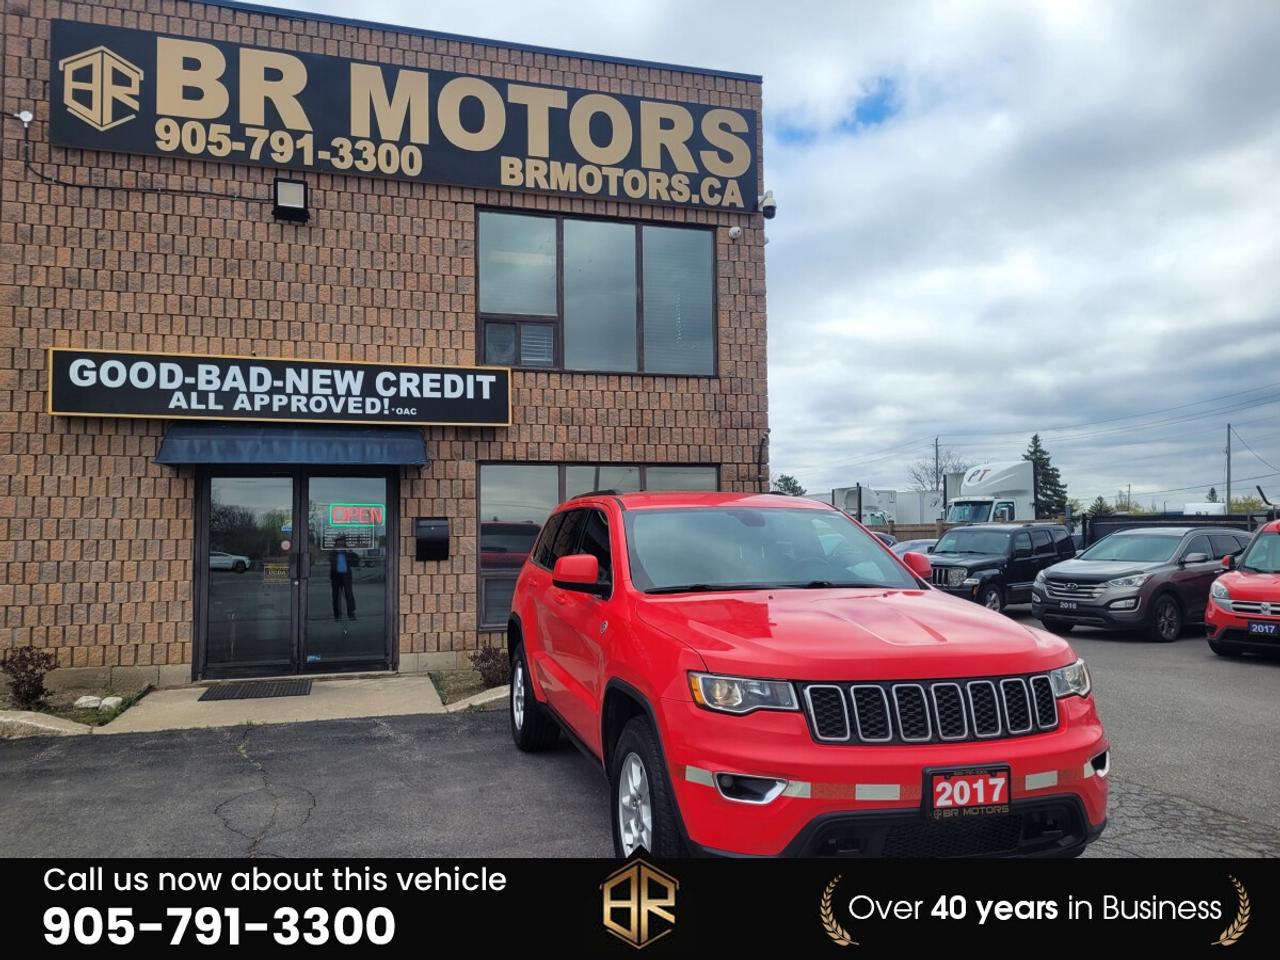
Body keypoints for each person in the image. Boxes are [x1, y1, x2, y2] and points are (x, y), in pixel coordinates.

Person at [330, 536, 358, 621]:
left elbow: (355, 561)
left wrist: (350, 552)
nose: (340, 544)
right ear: (336, 544)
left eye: (342, 543)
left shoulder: (347, 552)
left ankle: (351, 614)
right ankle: (337, 615)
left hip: (346, 576)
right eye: (339, 543)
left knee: (349, 595)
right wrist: (338, 552)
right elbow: (331, 559)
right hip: (336, 576)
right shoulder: (333, 552)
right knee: (336, 596)